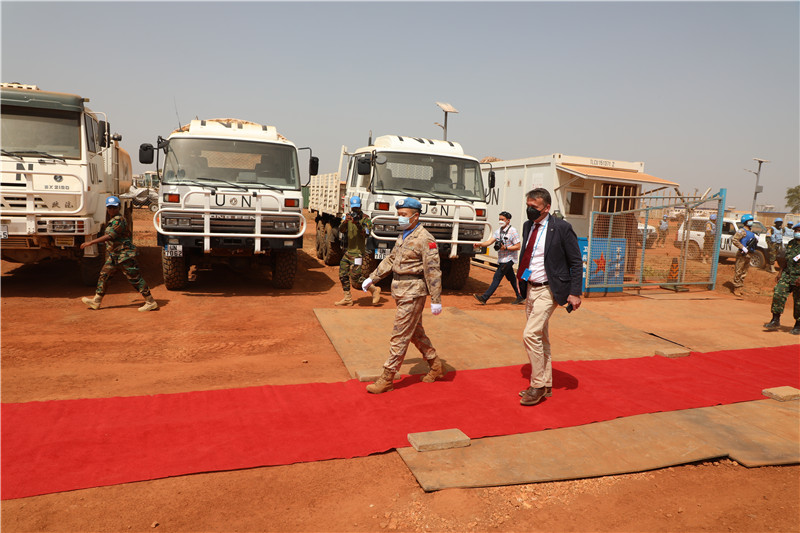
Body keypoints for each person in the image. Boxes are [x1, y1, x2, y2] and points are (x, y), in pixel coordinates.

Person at [361, 198, 444, 394]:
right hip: (400, 289)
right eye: (398, 214)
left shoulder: (425, 239)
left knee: (399, 335)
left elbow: (433, 270)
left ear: (416, 216)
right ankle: (435, 365)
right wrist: (372, 278)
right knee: (415, 332)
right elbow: (391, 259)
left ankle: (387, 377)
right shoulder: (404, 235)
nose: (400, 218)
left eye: (404, 215)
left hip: (414, 291)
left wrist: (436, 299)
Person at [516, 188, 583, 406]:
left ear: (546, 208)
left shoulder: (562, 228)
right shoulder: (528, 226)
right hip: (531, 288)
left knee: (530, 334)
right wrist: (522, 281)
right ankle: (546, 383)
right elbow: (530, 254)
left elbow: (575, 261)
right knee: (541, 337)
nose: (529, 210)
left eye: (533, 207)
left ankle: (536, 386)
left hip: (549, 290)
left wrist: (574, 292)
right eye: (527, 205)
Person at [80, 196, 157, 312]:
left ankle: (150, 301)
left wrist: (91, 242)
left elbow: (110, 236)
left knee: (134, 277)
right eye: (109, 207)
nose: (111, 210)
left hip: (124, 255)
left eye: (114, 207)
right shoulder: (113, 220)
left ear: (119, 208)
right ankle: (97, 300)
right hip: (115, 255)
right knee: (104, 275)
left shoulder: (119, 220)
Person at [335, 196, 381, 306]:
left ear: (360, 206)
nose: (355, 210)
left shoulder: (365, 219)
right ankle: (347, 298)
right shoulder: (348, 217)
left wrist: (358, 224)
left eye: (357, 208)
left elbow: (366, 233)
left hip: (358, 254)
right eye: (353, 208)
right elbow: (341, 230)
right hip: (348, 252)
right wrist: (345, 222)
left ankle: (373, 289)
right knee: (342, 274)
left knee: (356, 277)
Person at [472, 211, 524, 305]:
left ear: (508, 221)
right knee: (512, 278)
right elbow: (489, 242)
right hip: (502, 259)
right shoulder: (498, 231)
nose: (500, 221)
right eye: (499, 219)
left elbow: (518, 246)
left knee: (497, 277)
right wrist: (479, 244)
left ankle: (484, 298)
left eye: (502, 219)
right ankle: (520, 296)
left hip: (509, 259)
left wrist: (506, 248)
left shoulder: (513, 231)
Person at [763, 227, 800, 335]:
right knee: (778, 293)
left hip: (799, 277)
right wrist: (780, 273)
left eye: (799, 230)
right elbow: (786, 259)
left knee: (798, 302)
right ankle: (775, 320)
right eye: (796, 230)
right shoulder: (791, 243)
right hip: (787, 275)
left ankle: (798, 325)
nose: (797, 232)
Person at [731, 214, 757, 297]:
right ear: (745, 222)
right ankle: (736, 287)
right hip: (742, 254)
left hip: (749, 254)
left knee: (744, 271)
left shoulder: (751, 232)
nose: (751, 222)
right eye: (750, 221)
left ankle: (740, 286)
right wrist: (742, 247)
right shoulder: (741, 231)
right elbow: (734, 240)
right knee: (739, 270)